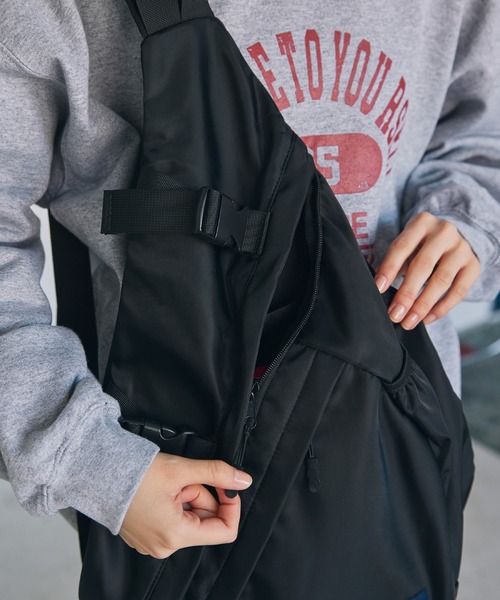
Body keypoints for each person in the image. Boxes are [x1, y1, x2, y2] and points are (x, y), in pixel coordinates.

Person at [1, 0, 499, 570]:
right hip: (171, 485)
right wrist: (90, 460)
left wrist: (471, 218)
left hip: (402, 442)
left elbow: (483, 130)